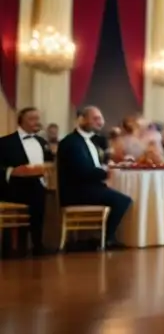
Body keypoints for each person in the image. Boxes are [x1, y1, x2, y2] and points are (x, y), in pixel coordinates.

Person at [56, 106, 133, 248]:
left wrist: (114, 164)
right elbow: (80, 171)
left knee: (121, 197)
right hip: (76, 191)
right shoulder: (71, 142)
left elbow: (97, 163)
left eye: (101, 118)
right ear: (81, 120)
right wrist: (105, 173)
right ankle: (106, 239)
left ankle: (102, 237)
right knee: (123, 201)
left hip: (89, 187)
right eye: (95, 118)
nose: (100, 122)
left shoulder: (94, 141)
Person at [0, 107, 53, 254]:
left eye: (38, 118)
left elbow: (49, 163)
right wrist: (13, 171)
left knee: (40, 203)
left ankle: (37, 245)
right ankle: (12, 247)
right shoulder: (5, 142)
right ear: (21, 121)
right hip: (14, 187)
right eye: (32, 119)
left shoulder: (42, 142)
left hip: (40, 185)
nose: (37, 122)